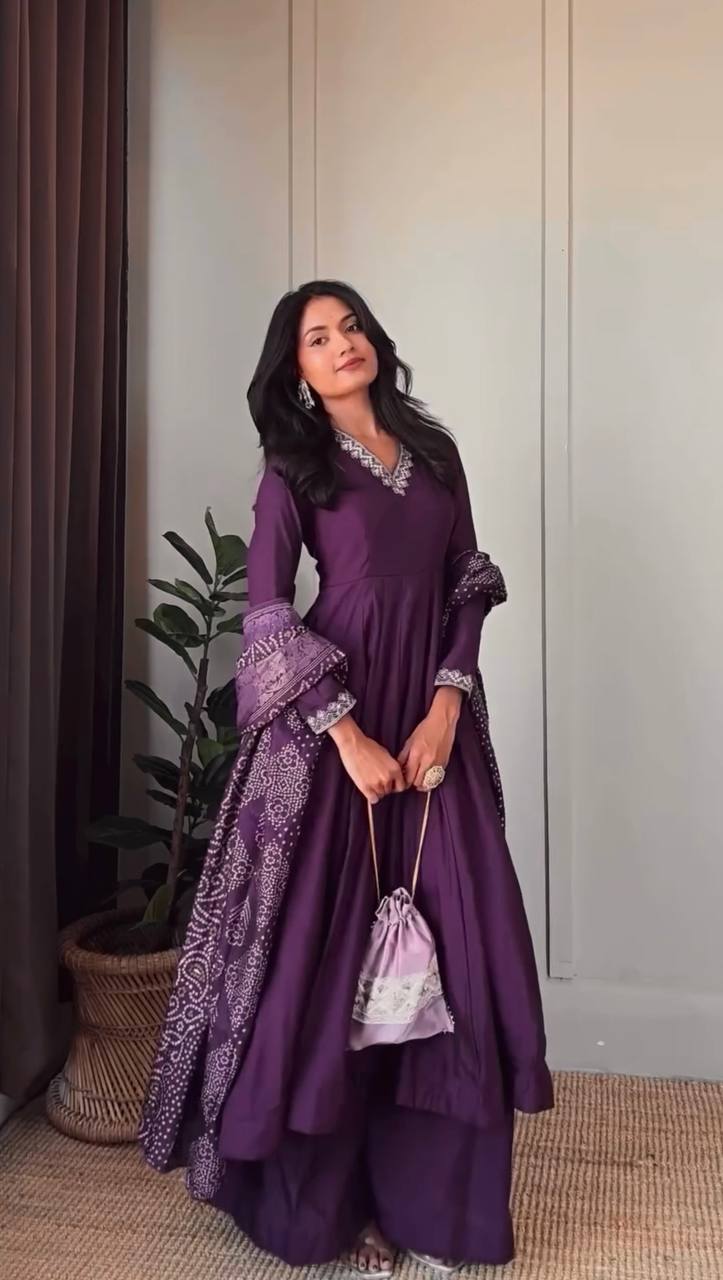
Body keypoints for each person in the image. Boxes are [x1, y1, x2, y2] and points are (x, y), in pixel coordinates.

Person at [140, 280, 555, 1274]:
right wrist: (347, 734)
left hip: (432, 730)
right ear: (295, 369)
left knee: (460, 950)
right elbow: (268, 611)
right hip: (333, 738)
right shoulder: (295, 468)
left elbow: (468, 579)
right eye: (317, 338)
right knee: (322, 972)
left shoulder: (435, 451)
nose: (342, 345)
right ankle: (322, 1213)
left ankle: (438, 1211)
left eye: (351, 326)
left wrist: (446, 704)